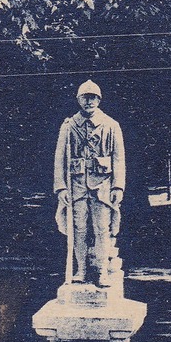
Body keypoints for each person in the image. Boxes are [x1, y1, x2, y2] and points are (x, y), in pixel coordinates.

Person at [53, 80, 125, 286]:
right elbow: (60, 159)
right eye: (85, 97)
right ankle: (81, 269)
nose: (89, 101)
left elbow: (119, 159)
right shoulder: (68, 126)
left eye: (93, 97)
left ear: (99, 100)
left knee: (102, 228)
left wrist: (118, 186)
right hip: (76, 185)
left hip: (102, 184)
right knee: (79, 228)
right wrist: (61, 188)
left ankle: (102, 271)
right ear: (78, 100)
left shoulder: (111, 125)